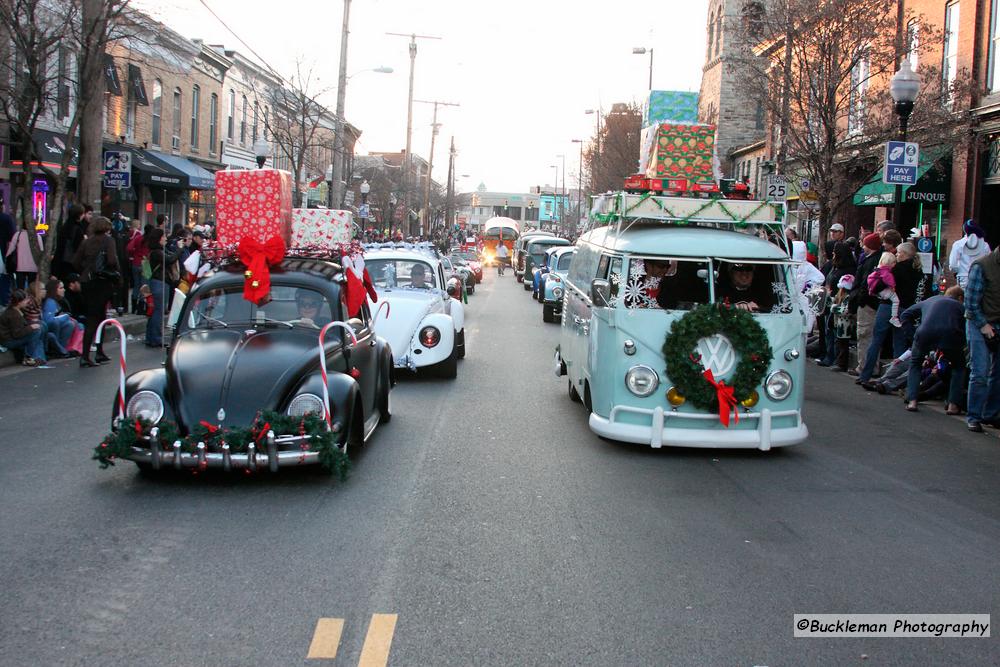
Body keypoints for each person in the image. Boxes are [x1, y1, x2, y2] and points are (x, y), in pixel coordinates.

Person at [900, 286, 965, 414]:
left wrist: (912, 335)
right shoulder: (960, 306)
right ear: (960, 298)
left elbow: (905, 315)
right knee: (958, 368)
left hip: (925, 333)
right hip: (950, 335)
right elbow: (965, 326)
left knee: (916, 364)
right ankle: (953, 404)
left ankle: (912, 400)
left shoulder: (930, 300)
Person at [73, 215, 120, 367]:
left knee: (96, 316)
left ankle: (98, 352)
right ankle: (88, 355)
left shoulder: (86, 242)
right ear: (106, 228)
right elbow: (112, 261)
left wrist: (86, 269)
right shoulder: (108, 241)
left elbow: (75, 262)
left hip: (87, 281)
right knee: (96, 318)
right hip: (101, 283)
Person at [963, 245, 1000, 432]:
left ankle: (991, 414)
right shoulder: (982, 265)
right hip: (978, 321)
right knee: (980, 371)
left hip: (997, 321)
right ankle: (974, 416)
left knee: (998, 373)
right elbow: (970, 303)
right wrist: (984, 325)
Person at [144, 228, 176, 348]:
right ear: (158, 238)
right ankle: (156, 338)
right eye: (163, 236)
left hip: (157, 282)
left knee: (154, 311)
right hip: (160, 282)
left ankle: (150, 337)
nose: (166, 238)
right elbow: (170, 259)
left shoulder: (157, 251)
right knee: (158, 311)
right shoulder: (157, 252)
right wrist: (180, 249)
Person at [0, 289, 47, 366]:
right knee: (36, 332)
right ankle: (31, 357)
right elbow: (17, 334)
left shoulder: (17, 310)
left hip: (12, 338)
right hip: (9, 341)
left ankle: (39, 357)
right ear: (19, 302)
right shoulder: (13, 314)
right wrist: (31, 327)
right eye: (25, 300)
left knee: (40, 327)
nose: (27, 301)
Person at [948, 220, 991, 288]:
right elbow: (989, 264)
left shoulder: (958, 244)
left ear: (965, 230)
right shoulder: (985, 245)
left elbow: (953, 265)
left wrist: (958, 271)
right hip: (980, 278)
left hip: (963, 278)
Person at [867, 252, 902, 328]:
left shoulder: (879, 268)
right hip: (883, 292)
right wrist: (893, 286)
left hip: (876, 290)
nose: (895, 264)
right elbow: (889, 280)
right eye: (893, 262)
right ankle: (894, 317)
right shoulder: (886, 272)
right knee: (896, 300)